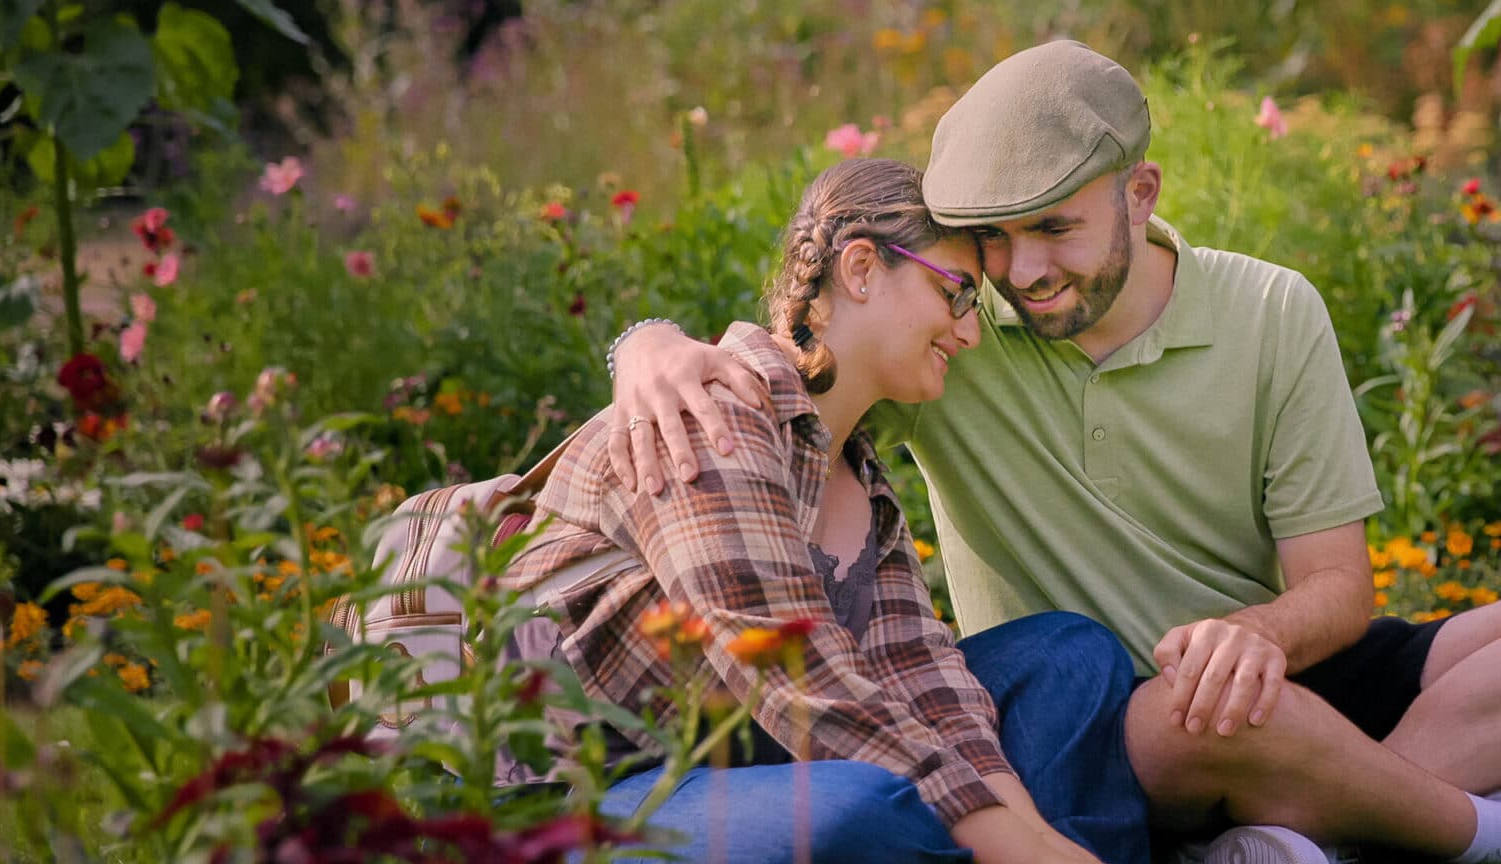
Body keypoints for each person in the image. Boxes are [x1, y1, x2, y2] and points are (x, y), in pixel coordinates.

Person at [604, 40, 1501, 864]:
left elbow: (1340, 588)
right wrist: (645, 343)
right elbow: (800, 357)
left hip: (1267, 667)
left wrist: (1255, 633)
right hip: (1127, 714)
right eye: (994, 237)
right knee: (1208, 713)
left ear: (1139, 193)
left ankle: (1314, 830)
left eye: (1055, 228)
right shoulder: (956, 330)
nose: (1023, 272)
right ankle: (1436, 829)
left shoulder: (1269, 308)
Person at [501, 157, 1149, 864]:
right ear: (863, 268)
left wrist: (1040, 844)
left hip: (752, 749)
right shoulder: (712, 418)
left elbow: (923, 679)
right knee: (855, 810)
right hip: (608, 784)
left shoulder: (861, 477)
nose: (968, 334)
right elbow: (802, 683)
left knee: (1069, 657)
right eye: (955, 294)